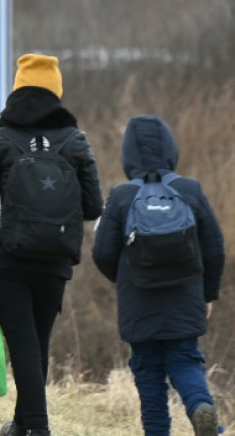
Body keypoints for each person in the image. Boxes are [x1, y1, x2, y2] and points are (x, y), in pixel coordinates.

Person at [0, 54, 103, 436]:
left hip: (6, 259)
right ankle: (23, 426)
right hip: (54, 258)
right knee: (37, 345)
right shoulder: (75, 141)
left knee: (23, 348)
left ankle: (37, 428)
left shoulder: (0, 140)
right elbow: (93, 207)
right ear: (56, 92)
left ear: (17, 90)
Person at [91, 115, 224, 436]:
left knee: (148, 371)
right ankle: (199, 406)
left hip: (139, 299)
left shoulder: (121, 196)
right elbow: (214, 248)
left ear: (127, 155)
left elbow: (102, 253)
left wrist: (124, 278)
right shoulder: (189, 190)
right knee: (185, 360)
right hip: (185, 296)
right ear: (170, 149)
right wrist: (207, 294)